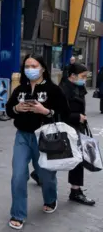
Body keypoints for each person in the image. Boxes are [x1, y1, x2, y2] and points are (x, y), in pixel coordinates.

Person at [5, 54, 70, 230]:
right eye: (27, 66)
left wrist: (46, 111)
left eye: (34, 66)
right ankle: (18, 214)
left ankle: (50, 198)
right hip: (23, 137)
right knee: (18, 175)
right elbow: (9, 110)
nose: (30, 69)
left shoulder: (53, 89)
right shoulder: (20, 89)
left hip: (46, 137)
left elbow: (64, 113)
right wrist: (17, 108)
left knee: (46, 175)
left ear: (42, 68)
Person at [59, 63, 96, 206]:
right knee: (70, 157)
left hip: (77, 127)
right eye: (83, 76)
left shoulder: (78, 87)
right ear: (72, 76)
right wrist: (77, 117)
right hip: (67, 128)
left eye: (86, 77)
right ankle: (75, 191)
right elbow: (60, 113)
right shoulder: (63, 90)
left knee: (75, 157)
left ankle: (75, 189)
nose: (85, 79)